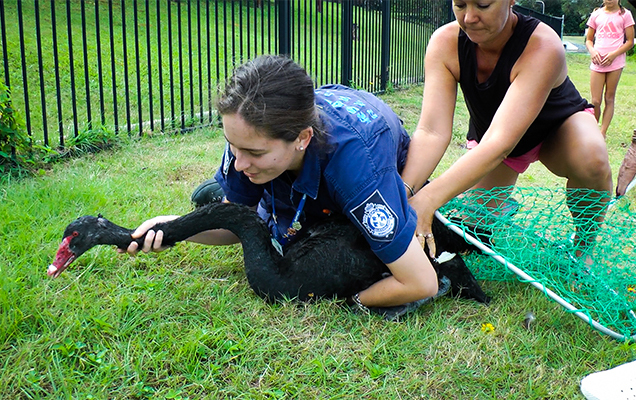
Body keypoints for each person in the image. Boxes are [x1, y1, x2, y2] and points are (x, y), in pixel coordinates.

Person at [120, 55, 440, 317]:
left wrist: (352, 299)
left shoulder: (358, 172)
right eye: (232, 145)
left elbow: (421, 283)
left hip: (363, 160)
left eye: (255, 153)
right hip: (304, 158)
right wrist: (176, 228)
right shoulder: (248, 140)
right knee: (261, 207)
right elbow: (235, 225)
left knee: (341, 238)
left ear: (302, 138)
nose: (239, 163)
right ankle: (231, 189)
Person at [401, 1, 613, 261]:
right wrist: (404, 192)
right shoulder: (444, 43)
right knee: (469, 232)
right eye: (460, 4)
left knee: (592, 159)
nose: (469, 17)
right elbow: (431, 131)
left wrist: (429, 198)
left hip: (556, 131)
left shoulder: (543, 44)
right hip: (495, 140)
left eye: (483, 5)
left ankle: (583, 246)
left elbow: (500, 143)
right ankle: (503, 206)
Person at [585, 0, 635, 137]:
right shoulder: (596, 14)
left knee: (609, 97)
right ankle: (594, 130)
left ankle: (603, 132)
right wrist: (593, 51)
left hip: (615, 63)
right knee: (595, 100)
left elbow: (630, 41)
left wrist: (614, 54)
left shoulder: (625, 15)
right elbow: (589, 40)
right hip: (597, 62)